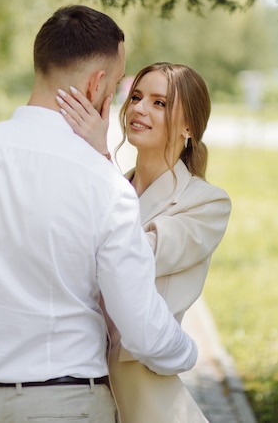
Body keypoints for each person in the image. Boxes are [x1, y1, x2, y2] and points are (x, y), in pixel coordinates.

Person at [0, 8, 198, 423]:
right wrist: (187, 351)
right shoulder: (105, 184)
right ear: (97, 85)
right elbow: (140, 328)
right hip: (66, 407)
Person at [56, 61, 231, 423]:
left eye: (159, 103)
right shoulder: (109, 186)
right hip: (73, 382)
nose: (138, 108)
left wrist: (100, 160)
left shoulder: (206, 204)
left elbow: (133, 256)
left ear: (188, 127)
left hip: (144, 395)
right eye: (136, 97)